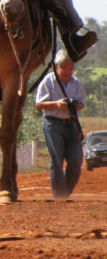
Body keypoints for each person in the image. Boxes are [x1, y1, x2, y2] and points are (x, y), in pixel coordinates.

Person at [36, 49, 86, 199]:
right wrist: (57, 104)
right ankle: (59, 196)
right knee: (56, 161)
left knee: (76, 162)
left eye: (71, 68)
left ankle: (65, 192)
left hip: (72, 124)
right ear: (57, 66)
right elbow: (39, 104)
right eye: (65, 68)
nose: (68, 72)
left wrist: (76, 106)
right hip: (53, 124)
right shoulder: (48, 81)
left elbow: (82, 104)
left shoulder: (77, 83)